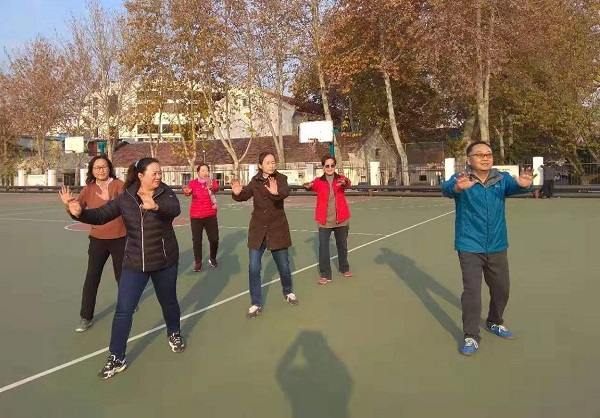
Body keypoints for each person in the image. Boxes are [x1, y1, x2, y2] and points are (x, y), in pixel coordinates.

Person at [60, 157, 186, 379]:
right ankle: (117, 357)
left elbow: (174, 209)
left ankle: (174, 332)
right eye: (154, 173)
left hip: (164, 260)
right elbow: (101, 215)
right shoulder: (126, 197)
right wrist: (78, 213)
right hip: (135, 261)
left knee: (168, 302)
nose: (159, 176)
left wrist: (155, 206)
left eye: (160, 173)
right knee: (123, 310)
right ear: (141, 175)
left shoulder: (164, 192)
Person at [441, 141, 533, 356]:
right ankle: (471, 335)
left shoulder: (502, 179)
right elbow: (447, 188)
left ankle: (494, 321)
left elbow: (518, 186)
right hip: (470, 245)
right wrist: (457, 188)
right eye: (479, 154)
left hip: (498, 244)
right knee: (472, 292)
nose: (485, 158)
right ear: (469, 159)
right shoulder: (461, 179)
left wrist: (525, 184)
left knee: (502, 289)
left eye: (489, 154)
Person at [59, 156, 126, 333]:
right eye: (97, 168)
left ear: (109, 168)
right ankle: (86, 317)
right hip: (98, 240)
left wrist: (109, 198)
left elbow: (127, 206)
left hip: (120, 238)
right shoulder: (88, 189)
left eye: (103, 167)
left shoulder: (119, 185)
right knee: (92, 278)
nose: (100, 170)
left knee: (122, 276)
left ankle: (127, 305)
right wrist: (69, 205)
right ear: (92, 171)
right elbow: (77, 211)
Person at [231, 151, 299, 318]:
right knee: (254, 267)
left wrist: (276, 193)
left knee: (284, 266)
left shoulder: (281, 179)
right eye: (268, 162)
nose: (271, 165)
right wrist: (237, 193)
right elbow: (244, 195)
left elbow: (285, 191)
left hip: (277, 229)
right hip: (258, 230)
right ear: (260, 165)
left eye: (273, 162)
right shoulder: (255, 181)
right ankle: (256, 303)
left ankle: (288, 291)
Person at [303, 155, 353, 284]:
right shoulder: (318, 181)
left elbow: (348, 183)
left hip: (341, 219)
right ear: (323, 167)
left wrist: (345, 183)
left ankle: (344, 268)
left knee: (342, 245)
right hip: (324, 221)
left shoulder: (341, 179)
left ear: (335, 166)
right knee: (323, 248)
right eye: (327, 165)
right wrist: (307, 186)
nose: (330, 168)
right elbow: (310, 186)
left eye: (332, 165)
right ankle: (325, 274)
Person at [182, 164, 220, 271]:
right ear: (198, 172)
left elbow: (216, 188)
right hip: (196, 216)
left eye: (206, 170)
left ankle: (212, 258)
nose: (205, 172)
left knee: (214, 239)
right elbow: (188, 192)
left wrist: (211, 187)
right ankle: (198, 263)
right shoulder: (193, 183)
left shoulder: (212, 181)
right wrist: (186, 192)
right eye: (203, 170)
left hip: (210, 215)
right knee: (197, 240)